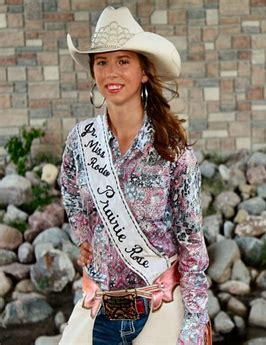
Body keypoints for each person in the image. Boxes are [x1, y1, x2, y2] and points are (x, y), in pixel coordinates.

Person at [59, 6, 210, 345]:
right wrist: (85, 235)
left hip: (161, 309)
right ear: (93, 71)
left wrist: (193, 327)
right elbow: (69, 188)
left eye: (123, 61)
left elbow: (192, 247)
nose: (111, 72)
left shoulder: (173, 152)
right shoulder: (81, 141)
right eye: (102, 62)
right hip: (100, 307)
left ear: (144, 71)